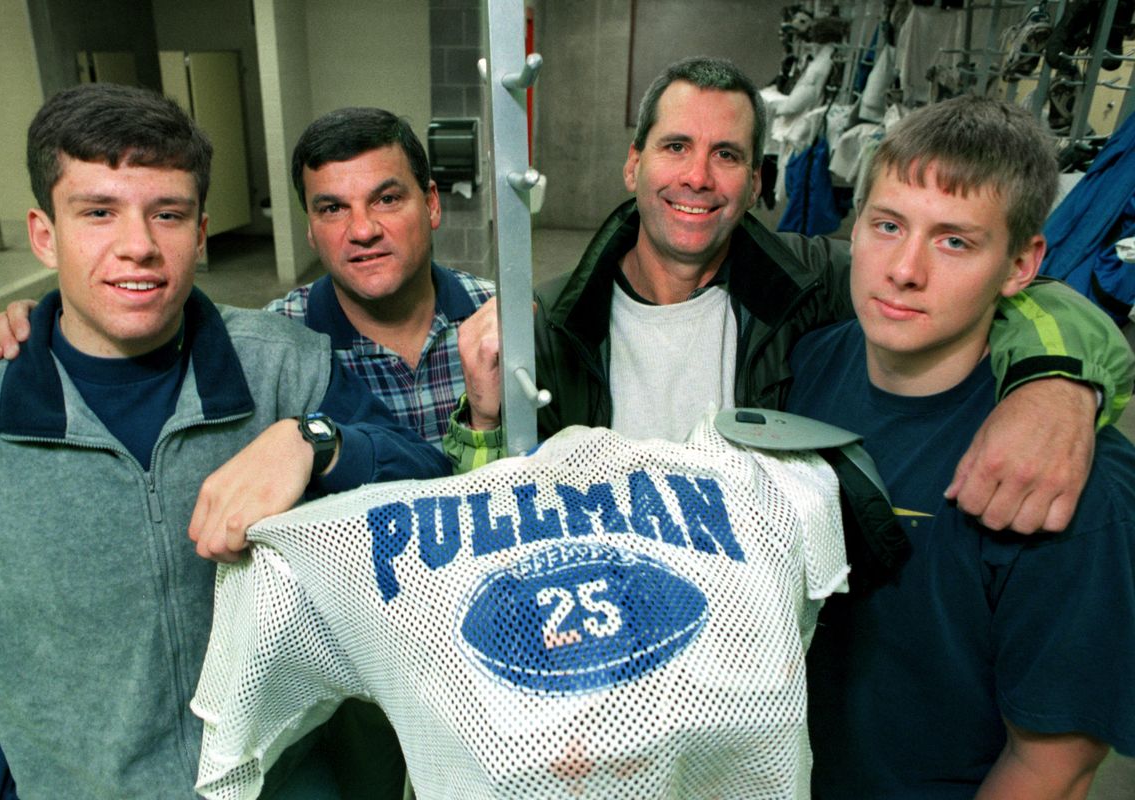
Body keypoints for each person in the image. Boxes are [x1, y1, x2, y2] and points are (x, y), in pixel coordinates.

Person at [0, 83, 446, 798]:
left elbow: (430, 491)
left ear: (201, 232)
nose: (137, 246)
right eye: (98, 213)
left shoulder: (283, 365)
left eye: (167, 214)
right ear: (44, 234)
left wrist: (315, 441)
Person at [453, 55, 1134, 535]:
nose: (698, 176)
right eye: (675, 146)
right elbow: (480, 511)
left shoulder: (809, 282)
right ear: (634, 164)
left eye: (727, 155)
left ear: (755, 183)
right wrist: (483, 418)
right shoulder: (552, 319)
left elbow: (1031, 296)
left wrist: (1055, 387)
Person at [787, 94, 1135, 798]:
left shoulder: (1067, 478)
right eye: (887, 226)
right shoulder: (806, 366)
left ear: (1019, 265)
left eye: (954, 241)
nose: (904, 269)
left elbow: (1052, 767)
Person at [0, 106, 494, 448]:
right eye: (332, 209)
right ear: (310, 229)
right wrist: (47, 326)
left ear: (430, 204)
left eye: (386, 199)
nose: (362, 230)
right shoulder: (277, 347)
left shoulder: (504, 317)